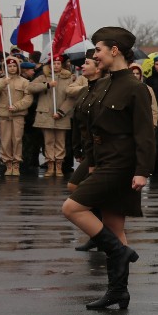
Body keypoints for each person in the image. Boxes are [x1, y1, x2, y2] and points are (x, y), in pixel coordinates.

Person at [61, 26, 155, 309]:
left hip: (122, 164)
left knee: (72, 208)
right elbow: (94, 129)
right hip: (104, 161)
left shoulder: (136, 88)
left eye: (99, 50)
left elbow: (145, 134)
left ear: (115, 50)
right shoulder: (103, 85)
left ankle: (119, 252)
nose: (95, 55)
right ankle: (118, 290)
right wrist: (93, 162)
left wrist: (142, 171)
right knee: (114, 228)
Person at [68, 54, 104, 251]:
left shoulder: (101, 90)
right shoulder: (86, 89)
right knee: (75, 186)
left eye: (87, 63)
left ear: (98, 69)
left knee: (77, 187)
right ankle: (98, 234)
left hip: (98, 150)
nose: (83, 65)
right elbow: (78, 121)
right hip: (87, 148)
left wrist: (93, 158)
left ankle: (101, 234)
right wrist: (76, 148)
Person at [28, 55, 77, 177]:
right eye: (54, 63)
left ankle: (59, 165)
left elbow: (71, 98)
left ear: (62, 65)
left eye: (58, 63)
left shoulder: (69, 78)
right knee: (48, 141)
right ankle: (50, 164)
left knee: (60, 142)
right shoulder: (43, 77)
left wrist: (61, 112)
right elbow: (30, 87)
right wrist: (47, 85)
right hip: (46, 115)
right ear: (49, 65)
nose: (56, 66)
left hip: (61, 115)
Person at [0, 56, 34, 176]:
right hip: (4, 115)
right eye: (9, 66)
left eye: (14, 66)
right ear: (5, 68)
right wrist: (2, 83)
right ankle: (8, 163)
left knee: (17, 139)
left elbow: (28, 98)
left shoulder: (24, 82)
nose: (12, 68)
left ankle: (16, 163)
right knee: (5, 140)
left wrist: (17, 106)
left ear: (18, 67)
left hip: (18, 115)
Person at [129, 63, 158, 127]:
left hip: (144, 124)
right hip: (128, 124)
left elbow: (154, 108)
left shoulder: (148, 89)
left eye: (137, 73)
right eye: (133, 73)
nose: (135, 75)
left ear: (141, 75)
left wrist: (153, 124)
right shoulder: (124, 88)